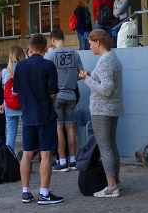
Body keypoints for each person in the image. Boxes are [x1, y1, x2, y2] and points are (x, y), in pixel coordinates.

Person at [14, 33, 62, 205]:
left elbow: (17, 91)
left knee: (27, 154)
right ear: (45, 48)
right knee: (46, 153)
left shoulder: (20, 67)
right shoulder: (48, 65)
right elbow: (53, 93)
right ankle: (44, 193)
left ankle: (25, 192)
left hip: (27, 115)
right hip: (45, 114)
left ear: (30, 47)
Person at [79, 29, 123, 198]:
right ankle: (115, 181)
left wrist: (87, 79)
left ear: (98, 42)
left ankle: (111, 187)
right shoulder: (113, 58)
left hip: (102, 109)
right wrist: (93, 75)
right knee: (111, 144)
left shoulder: (105, 61)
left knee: (104, 146)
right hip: (112, 108)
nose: (89, 46)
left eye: (90, 43)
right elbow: (106, 81)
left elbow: (106, 89)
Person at [45, 29, 83, 172]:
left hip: (57, 95)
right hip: (71, 95)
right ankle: (73, 160)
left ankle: (62, 161)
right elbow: (81, 74)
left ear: (53, 39)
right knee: (70, 127)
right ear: (64, 38)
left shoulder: (50, 55)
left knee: (59, 128)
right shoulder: (75, 54)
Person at [1, 45, 25, 151]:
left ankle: (10, 156)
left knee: (11, 135)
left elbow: (4, 88)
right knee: (27, 132)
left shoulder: (5, 71)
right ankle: (27, 155)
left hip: (9, 104)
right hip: (23, 104)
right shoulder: (25, 69)